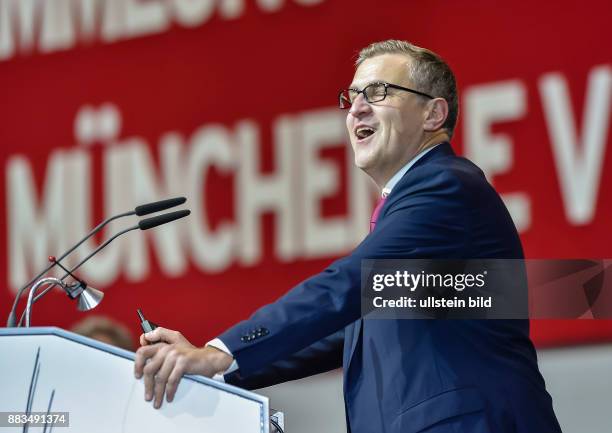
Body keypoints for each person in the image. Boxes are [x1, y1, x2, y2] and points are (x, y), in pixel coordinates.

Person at [134, 40, 562, 433]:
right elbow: (349, 325)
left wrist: (222, 350)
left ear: (434, 114)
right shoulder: (422, 206)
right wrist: (216, 369)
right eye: (352, 97)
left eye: (378, 93)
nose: (356, 108)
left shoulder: (448, 186)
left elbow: (346, 284)